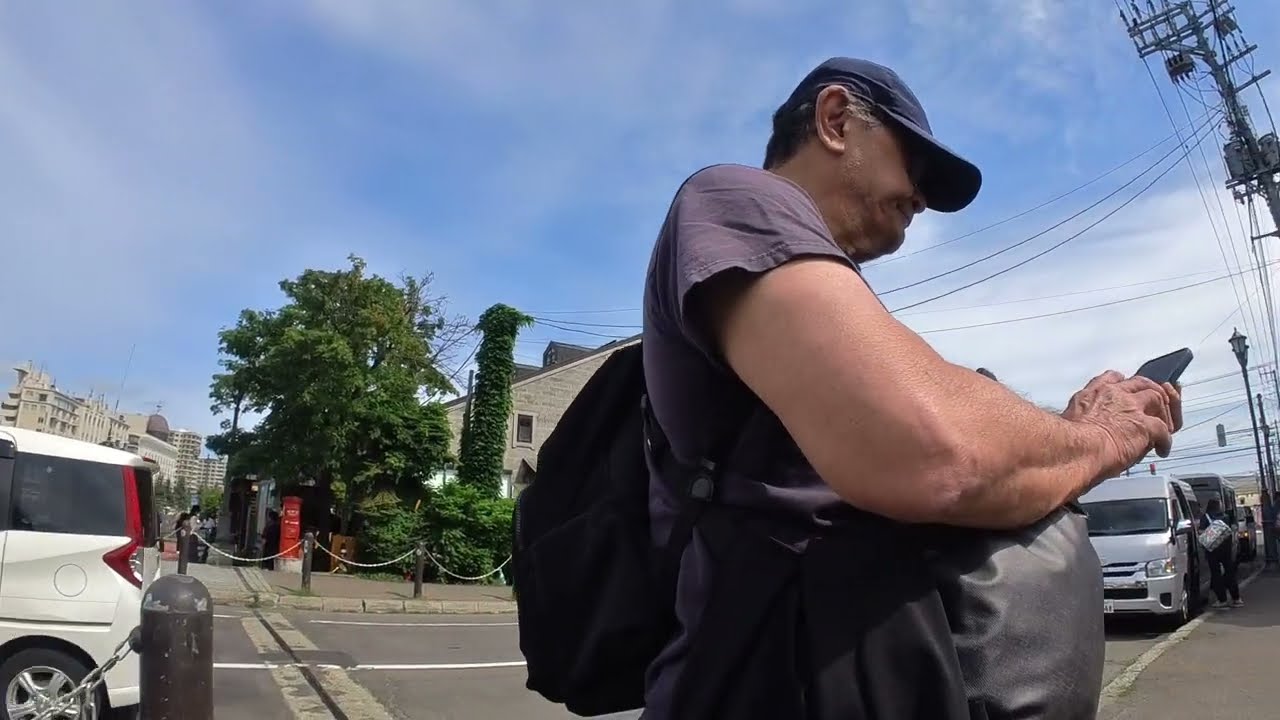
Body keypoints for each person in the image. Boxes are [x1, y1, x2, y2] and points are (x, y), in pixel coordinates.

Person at [641, 57, 1182, 717]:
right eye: (914, 165)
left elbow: (947, 440)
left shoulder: (804, 279)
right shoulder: (739, 201)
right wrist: (1102, 435)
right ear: (835, 120)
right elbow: (938, 454)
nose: (921, 198)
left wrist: (1061, 436)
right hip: (770, 687)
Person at [1200, 498, 1243, 608]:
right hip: (1226, 548)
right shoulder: (1225, 517)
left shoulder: (1206, 517)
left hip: (1213, 548)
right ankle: (1236, 598)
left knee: (1216, 573)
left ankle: (1222, 600)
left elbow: (1201, 532)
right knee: (1230, 572)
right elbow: (1230, 530)